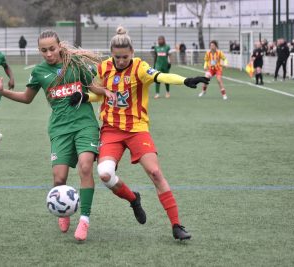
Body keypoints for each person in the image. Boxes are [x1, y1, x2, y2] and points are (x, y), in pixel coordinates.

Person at [78, 26, 209, 241]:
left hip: (137, 129)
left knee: (156, 173)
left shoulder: (140, 67)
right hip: (111, 130)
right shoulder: (103, 69)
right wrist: (85, 97)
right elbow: (100, 95)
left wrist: (184, 80)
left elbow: (161, 76)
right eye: (117, 57)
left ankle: (176, 225)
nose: (120, 61)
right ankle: (133, 199)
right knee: (105, 175)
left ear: (132, 53)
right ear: (112, 54)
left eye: (125, 56)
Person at [0, 29, 113, 242]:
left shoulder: (75, 64)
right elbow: (27, 98)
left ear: (59, 47)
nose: (48, 54)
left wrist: (105, 92)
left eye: (52, 49)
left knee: (85, 166)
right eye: (43, 50)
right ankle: (63, 211)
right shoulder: (38, 71)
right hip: (59, 129)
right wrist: (2, 91)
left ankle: (84, 219)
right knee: (59, 178)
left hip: (84, 124)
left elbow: (93, 85)